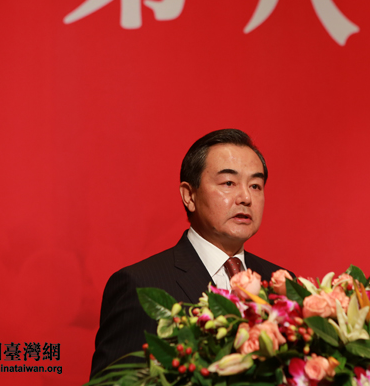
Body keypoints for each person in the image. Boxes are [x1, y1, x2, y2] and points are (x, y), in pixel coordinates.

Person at [90, 129, 292, 379]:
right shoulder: (141, 285)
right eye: (228, 183)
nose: (246, 197)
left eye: (255, 185)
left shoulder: (282, 284)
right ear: (189, 195)